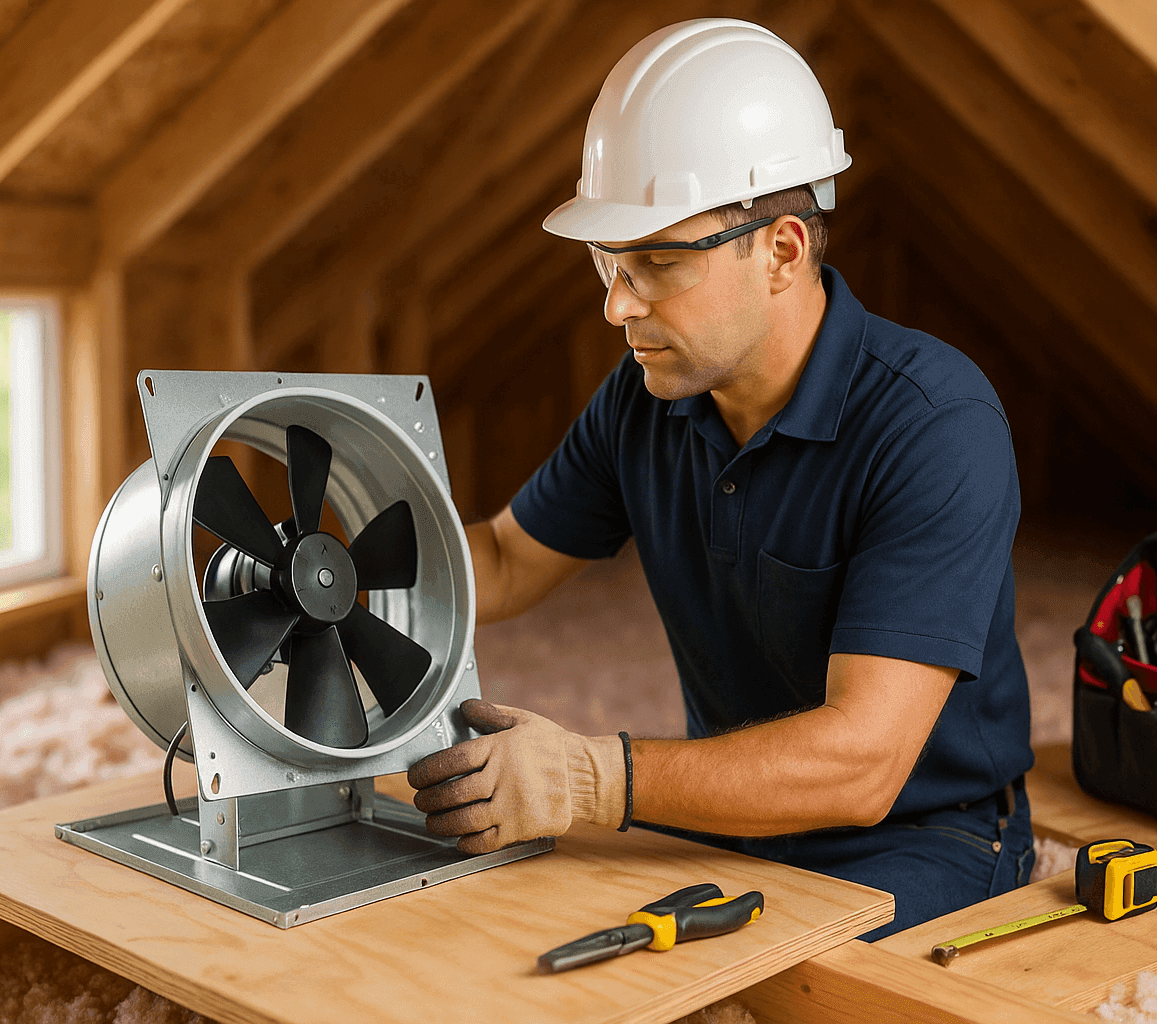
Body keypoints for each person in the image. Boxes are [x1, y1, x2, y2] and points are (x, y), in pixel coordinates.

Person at [406, 18, 1034, 938]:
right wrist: (336, 592)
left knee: (748, 986)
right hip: (724, 817)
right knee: (489, 935)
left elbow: (863, 762)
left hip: (921, 833)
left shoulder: (936, 425)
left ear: (782, 251)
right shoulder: (643, 400)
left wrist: (593, 778)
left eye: (657, 262)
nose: (616, 304)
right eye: (607, 261)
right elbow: (502, 558)